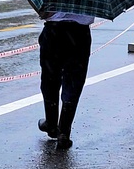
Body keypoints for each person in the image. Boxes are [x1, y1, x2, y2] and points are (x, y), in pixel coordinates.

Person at [36, 10, 94, 149]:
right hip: (80, 33)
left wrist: (41, 11)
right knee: (74, 81)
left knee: (50, 78)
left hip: (54, 30)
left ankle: (51, 123)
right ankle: (64, 132)